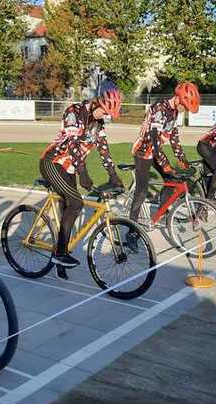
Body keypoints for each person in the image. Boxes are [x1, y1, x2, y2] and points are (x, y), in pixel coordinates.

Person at [39, 80, 124, 272]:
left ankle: (60, 256)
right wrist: (83, 174)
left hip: (69, 168)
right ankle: (60, 255)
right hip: (53, 163)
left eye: (108, 114)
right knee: (76, 203)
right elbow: (73, 146)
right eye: (104, 111)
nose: (105, 116)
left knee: (69, 208)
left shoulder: (98, 123)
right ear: (96, 102)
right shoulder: (74, 112)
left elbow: (104, 149)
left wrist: (113, 175)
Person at [127, 81, 199, 246]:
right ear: (178, 99)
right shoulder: (160, 109)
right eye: (185, 107)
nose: (186, 111)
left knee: (173, 180)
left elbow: (174, 137)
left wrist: (182, 159)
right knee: (142, 190)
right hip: (143, 152)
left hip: (156, 152)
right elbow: (154, 140)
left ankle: (162, 211)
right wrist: (165, 163)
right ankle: (131, 232)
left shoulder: (174, 111)